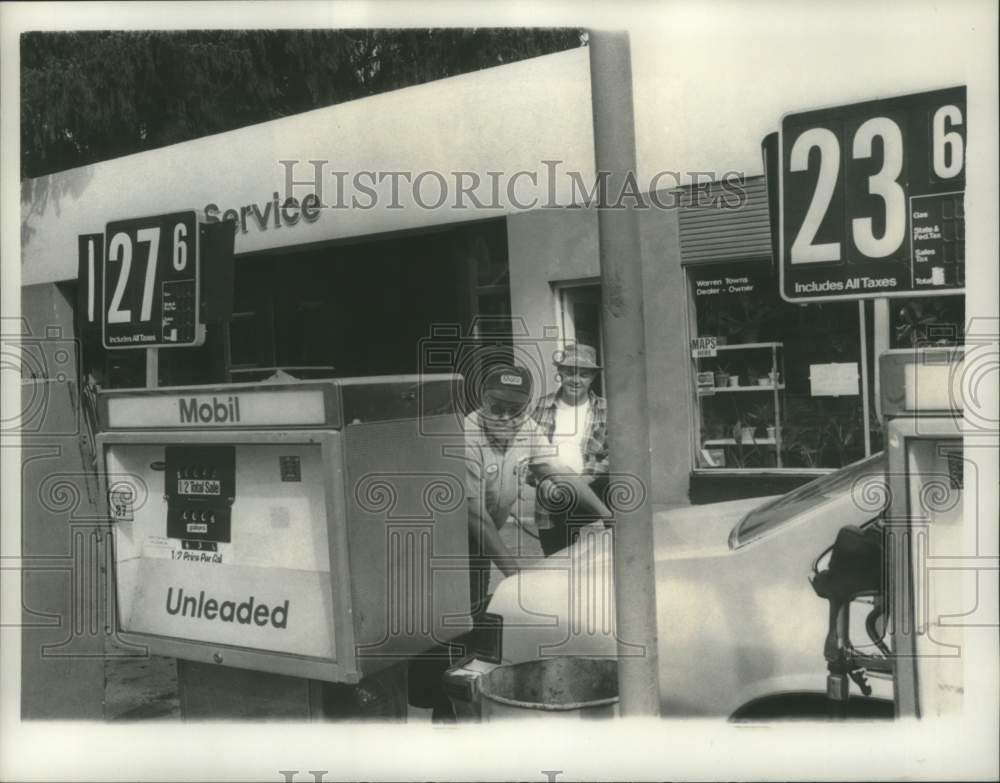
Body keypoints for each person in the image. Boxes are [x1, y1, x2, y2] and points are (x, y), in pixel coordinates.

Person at [532, 343, 611, 556]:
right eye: (570, 373)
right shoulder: (542, 406)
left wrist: (579, 483)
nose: (576, 380)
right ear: (560, 373)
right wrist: (543, 481)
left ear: (593, 378)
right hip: (550, 498)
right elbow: (526, 454)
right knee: (556, 562)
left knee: (593, 564)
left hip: (593, 496)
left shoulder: (605, 408)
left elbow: (612, 455)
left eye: (584, 375)